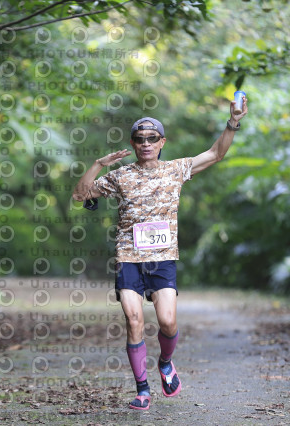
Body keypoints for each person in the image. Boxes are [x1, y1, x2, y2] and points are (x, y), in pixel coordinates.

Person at [72, 97, 248, 410]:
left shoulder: (176, 170)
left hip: (162, 257)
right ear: (133, 143)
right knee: (134, 320)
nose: (146, 144)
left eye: (152, 138)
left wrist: (233, 121)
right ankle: (142, 390)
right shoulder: (121, 176)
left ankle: (165, 363)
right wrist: (99, 164)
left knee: (167, 321)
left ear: (161, 142)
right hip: (128, 257)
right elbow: (79, 194)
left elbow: (216, 153)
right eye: (140, 139)